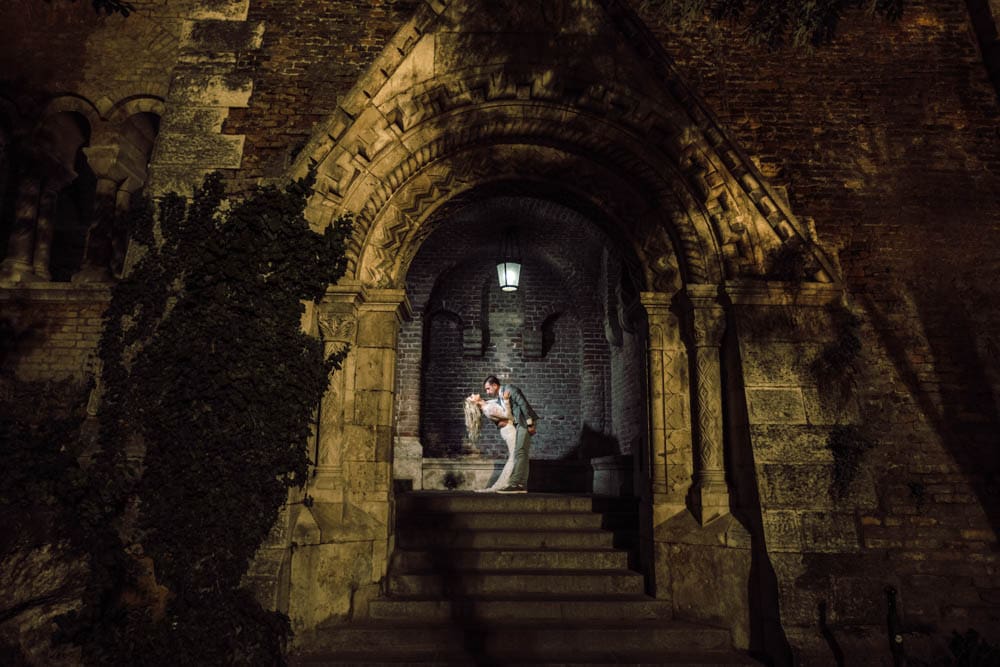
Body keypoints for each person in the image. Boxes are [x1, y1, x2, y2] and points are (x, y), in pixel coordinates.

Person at [482, 375, 538, 494]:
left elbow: (523, 404)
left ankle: (515, 483)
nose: (487, 392)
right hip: (519, 424)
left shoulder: (510, 389)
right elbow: (492, 410)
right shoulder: (499, 398)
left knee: (519, 451)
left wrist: (530, 424)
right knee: (523, 453)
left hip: (525, 421)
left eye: (488, 388)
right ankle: (522, 485)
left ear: (495, 385)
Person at [464, 391, 516, 492]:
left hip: (508, 430)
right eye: (471, 397)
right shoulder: (487, 409)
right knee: (514, 456)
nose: (472, 394)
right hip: (509, 431)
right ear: (475, 403)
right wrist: (506, 400)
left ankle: (509, 482)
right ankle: (504, 483)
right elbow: (508, 416)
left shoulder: (487, 403)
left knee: (515, 456)